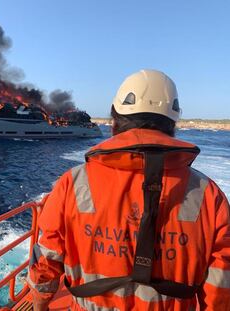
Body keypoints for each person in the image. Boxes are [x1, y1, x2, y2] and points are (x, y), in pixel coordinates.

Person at [27, 69, 230, 310]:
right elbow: (221, 280)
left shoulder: (73, 183)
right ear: (172, 123)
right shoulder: (208, 193)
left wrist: (39, 304)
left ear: (114, 122)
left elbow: (47, 257)